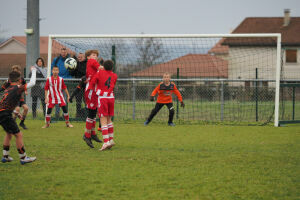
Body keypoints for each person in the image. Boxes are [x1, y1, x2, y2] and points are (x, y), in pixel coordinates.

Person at [0, 66, 37, 165]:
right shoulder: (17, 88)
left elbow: (6, 105)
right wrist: (34, 71)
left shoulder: (8, 88)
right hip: (5, 115)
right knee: (19, 134)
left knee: (9, 133)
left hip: (2, 113)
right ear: (18, 79)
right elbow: (33, 83)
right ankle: (23, 158)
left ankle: (5, 156)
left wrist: (16, 113)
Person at [89, 60, 118, 151]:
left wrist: (98, 71)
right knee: (109, 119)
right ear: (112, 67)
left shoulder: (99, 73)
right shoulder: (114, 75)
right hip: (111, 98)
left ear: (103, 67)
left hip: (102, 98)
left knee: (103, 120)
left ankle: (105, 142)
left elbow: (92, 82)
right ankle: (111, 139)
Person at [82, 50, 102, 148]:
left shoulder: (92, 63)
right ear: (88, 57)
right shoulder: (91, 61)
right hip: (91, 90)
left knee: (93, 113)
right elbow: (100, 68)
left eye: (96, 55)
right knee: (91, 113)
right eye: (93, 55)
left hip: (94, 90)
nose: (95, 57)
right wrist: (107, 67)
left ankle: (92, 134)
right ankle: (87, 135)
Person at [0, 65, 29, 129]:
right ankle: (12, 123)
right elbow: (4, 87)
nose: (15, 72)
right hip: (13, 98)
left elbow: (24, 85)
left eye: (17, 71)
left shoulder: (21, 79)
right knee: (17, 109)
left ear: (19, 72)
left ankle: (22, 123)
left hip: (20, 97)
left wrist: (26, 91)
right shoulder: (10, 80)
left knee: (26, 108)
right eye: (14, 71)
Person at [51, 47, 72, 120]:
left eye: (65, 52)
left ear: (67, 53)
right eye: (62, 52)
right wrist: (53, 78)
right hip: (57, 81)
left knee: (65, 99)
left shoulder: (70, 60)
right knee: (57, 98)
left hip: (67, 81)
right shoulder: (56, 60)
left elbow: (73, 70)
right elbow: (52, 69)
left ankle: (64, 114)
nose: (63, 53)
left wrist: (70, 78)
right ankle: (57, 114)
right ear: (60, 52)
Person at [68, 53, 87, 118]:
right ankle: (78, 115)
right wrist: (71, 68)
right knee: (78, 101)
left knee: (86, 100)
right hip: (77, 85)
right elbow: (72, 74)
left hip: (85, 85)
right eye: (78, 57)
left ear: (84, 57)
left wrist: (76, 68)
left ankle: (87, 115)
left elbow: (84, 72)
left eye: (81, 57)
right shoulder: (75, 64)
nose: (79, 58)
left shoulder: (87, 64)